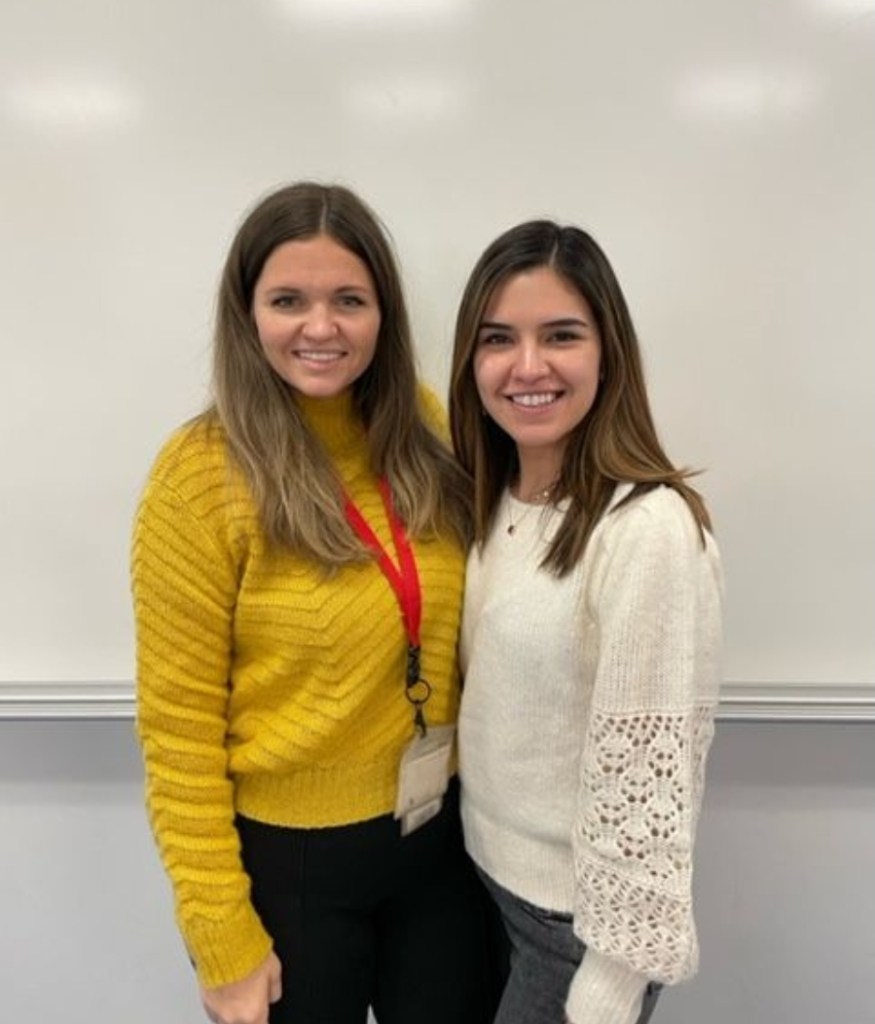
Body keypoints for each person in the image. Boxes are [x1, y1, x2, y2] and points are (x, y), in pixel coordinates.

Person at [131, 182, 494, 1024]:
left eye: (349, 300)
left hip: (440, 842)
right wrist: (219, 936)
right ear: (246, 312)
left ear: (383, 314)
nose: (321, 327)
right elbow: (178, 732)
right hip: (291, 871)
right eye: (288, 300)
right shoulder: (199, 476)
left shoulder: (427, 433)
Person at [448, 220, 723, 1024]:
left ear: (607, 354)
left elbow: (650, 784)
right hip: (485, 884)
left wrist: (612, 981)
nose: (527, 366)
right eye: (498, 339)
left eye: (560, 336)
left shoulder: (645, 529)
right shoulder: (492, 501)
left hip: (574, 931)